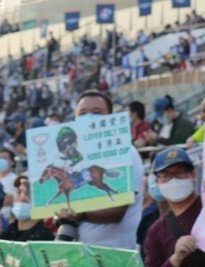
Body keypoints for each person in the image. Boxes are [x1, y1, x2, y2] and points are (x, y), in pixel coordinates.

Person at [55, 91, 144, 250]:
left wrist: (79, 214)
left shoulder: (124, 152)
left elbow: (116, 212)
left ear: (109, 117)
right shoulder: (78, 158)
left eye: (97, 112)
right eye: (82, 113)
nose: (88, 117)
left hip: (114, 254)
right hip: (83, 253)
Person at [0, 175, 53, 242]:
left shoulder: (45, 238)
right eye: (19, 192)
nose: (22, 198)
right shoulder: (10, 230)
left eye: (29, 194)